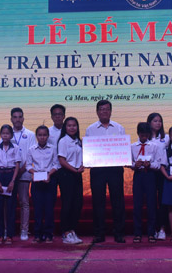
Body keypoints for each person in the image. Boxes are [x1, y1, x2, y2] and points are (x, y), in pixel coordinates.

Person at [86, 100, 127, 243]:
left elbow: (123, 149)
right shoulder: (90, 129)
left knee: (118, 201)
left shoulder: (119, 128)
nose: (104, 112)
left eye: (107, 109)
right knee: (98, 202)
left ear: (111, 111)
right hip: (98, 170)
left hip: (115, 170)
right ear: (97, 112)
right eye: (102, 109)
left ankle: (119, 233)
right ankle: (99, 233)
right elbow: (89, 150)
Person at [27, 125, 59, 243]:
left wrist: (49, 174)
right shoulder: (31, 149)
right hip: (37, 180)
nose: (42, 137)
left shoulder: (53, 148)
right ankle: (37, 234)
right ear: (36, 136)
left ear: (48, 136)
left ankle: (49, 234)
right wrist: (34, 173)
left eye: (44, 135)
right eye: (40, 135)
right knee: (38, 209)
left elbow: (56, 164)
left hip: (50, 179)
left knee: (49, 209)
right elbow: (28, 165)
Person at [131, 122, 160, 243]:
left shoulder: (154, 146)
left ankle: (151, 233)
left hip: (150, 175)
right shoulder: (132, 146)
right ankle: (137, 233)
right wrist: (135, 165)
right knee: (137, 205)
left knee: (151, 204)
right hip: (138, 175)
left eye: (146, 135)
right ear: (138, 133)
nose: (144, 137)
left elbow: (158, 164)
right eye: (142, 135)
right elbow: (129, 163)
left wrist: (150, 165)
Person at [0, 124, 20, 245]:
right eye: (3, 133)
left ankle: (9, 235)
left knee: (10, 207)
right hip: (0, 176)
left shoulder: (16, 148)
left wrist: (13, 181)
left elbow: (17, 165)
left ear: (11, 135)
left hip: (10, 175)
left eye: (7, 133)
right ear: (0, 135)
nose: (5, 135)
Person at [11, 107, 36, 241]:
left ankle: (24, 230)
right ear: (11, 119)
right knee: (8, 203)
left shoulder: (30, 134)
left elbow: (31, 154)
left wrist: (21, 169)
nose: (17, 119)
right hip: (9, 174)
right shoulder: (6, 132)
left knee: (24, 202)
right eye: (15, 117)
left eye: (20, 117)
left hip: (25, 173)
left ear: (23, 118)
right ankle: (7, 230)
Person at [58, 117, 84, 245]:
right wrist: (74, 170)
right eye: (69, 125)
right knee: (67, 204)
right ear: (65, 127)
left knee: (77, 204)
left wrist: (82, 166)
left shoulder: (79, 141)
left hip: (77, 174)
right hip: (67, 175)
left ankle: (72, 230)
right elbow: (61, 160)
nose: (72, 128)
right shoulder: (63, 141)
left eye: (74, 125)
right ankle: (65, 232)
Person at [147, 112, 169, 240]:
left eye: (160, 121)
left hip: (162, 172)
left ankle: (162, 228)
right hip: (149, 172)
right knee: (151, 201)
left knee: (162, 201)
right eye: (155, 121)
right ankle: (152, 229)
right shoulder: (146, 138)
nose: (158, 123)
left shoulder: (166, 138)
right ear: (149, 123)